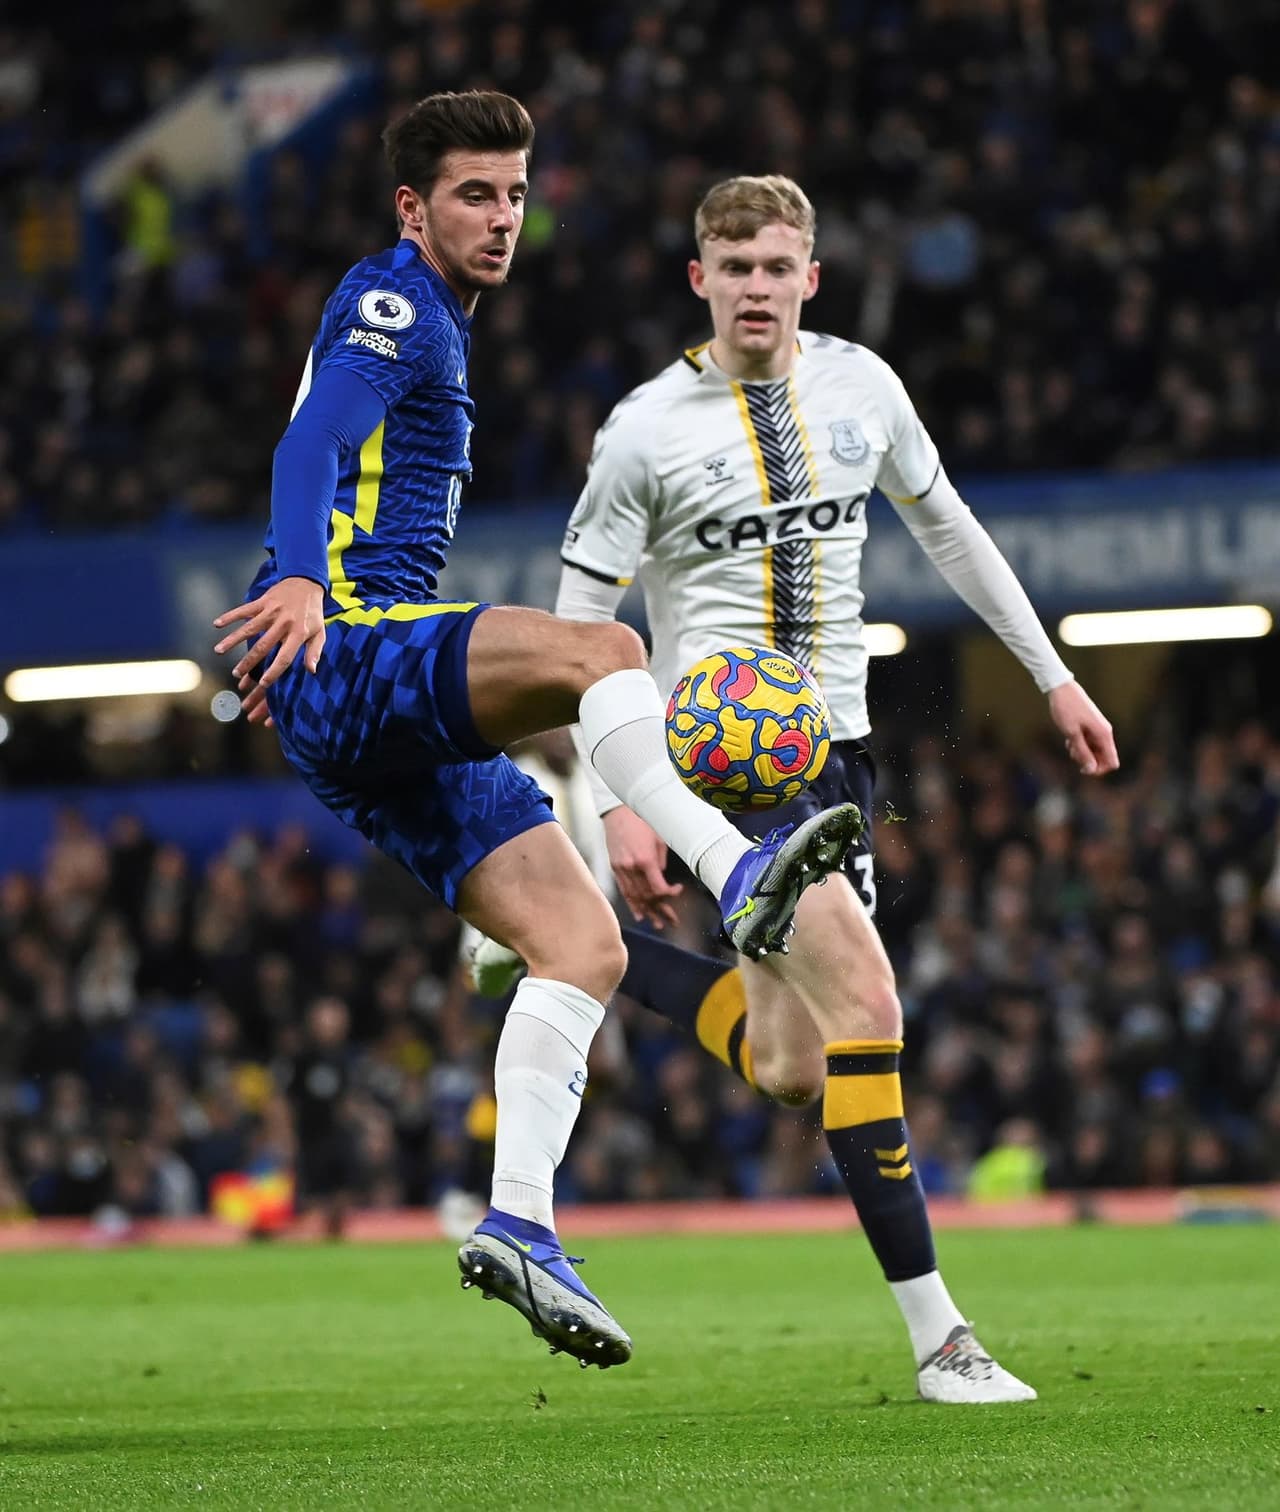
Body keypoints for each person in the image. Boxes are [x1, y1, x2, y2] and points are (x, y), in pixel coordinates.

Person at [212, 102, 862, 1370]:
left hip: (349, 701)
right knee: (604, 652)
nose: (503, 217)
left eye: (514, 193)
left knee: (582, 944)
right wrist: (296, 578)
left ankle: (518, 1222)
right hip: (346, 640)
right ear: (413, 209)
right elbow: (312, 438)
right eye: (475, 194)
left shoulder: (439, 318)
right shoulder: (396, 304)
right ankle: (735, 870)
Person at [552, 174, 1119, 1400]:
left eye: (775, 267)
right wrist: (615, 802)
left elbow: (948, 527)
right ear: (697, 279)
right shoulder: (642, 430)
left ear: (810, 277)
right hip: (721, 765)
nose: (754, 288)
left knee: (791, 1068)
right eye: (733, 268)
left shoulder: (863, 388)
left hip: (838, 753)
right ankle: (941, 1341)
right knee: (868, 1005)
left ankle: (570, 945)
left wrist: (1054, 677)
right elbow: (581, 623)